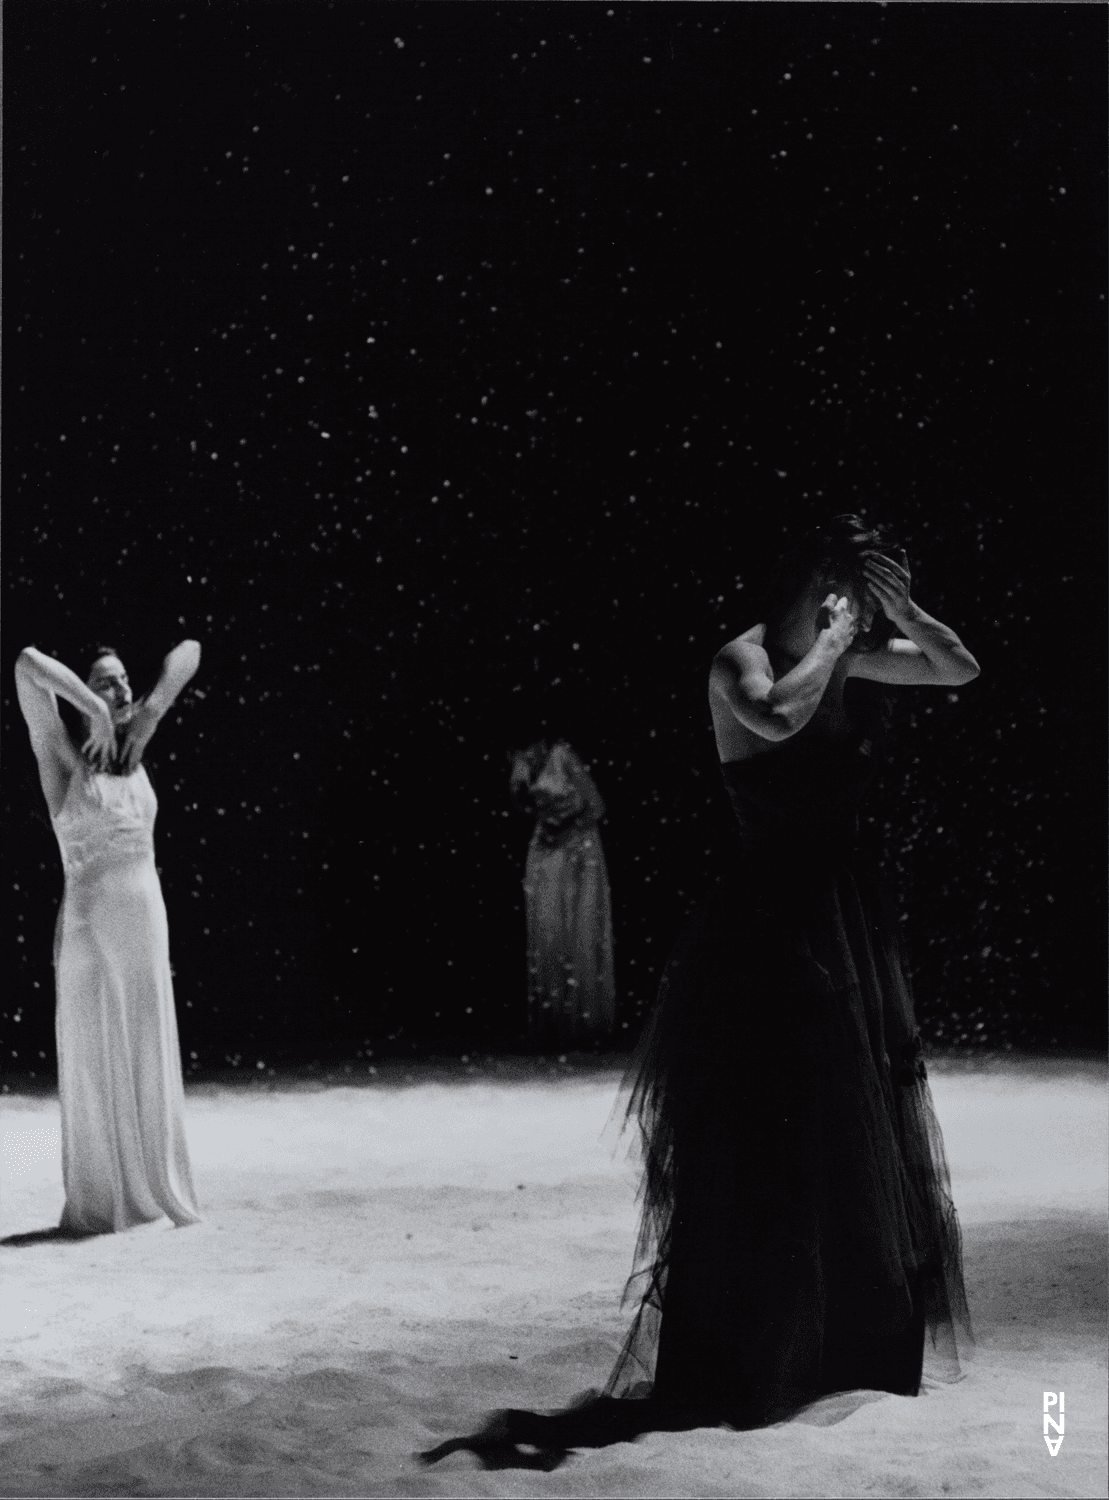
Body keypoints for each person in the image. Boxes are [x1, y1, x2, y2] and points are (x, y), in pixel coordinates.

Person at [422, 515, 979, 1463]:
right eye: (848, 582)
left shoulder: (849, 654)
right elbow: (774, 718)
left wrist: (909, 614)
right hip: (769, 920)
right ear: (815, 580)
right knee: (770, 1129)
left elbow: (958, 668)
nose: (854, 600)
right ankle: (754, 1341)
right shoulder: (742, 661)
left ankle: (842, 1335)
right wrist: (844, 643)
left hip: (842, 912)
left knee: (855, 1120)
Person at [11, 639, 204, 1237]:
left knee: (147, 1044)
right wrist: (92, 708)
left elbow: (189, 653)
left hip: (147, 922)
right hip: (90, 927)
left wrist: (144, 716)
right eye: (104, 680)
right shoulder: (62, 757)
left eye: (122, 680)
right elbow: (23, 663)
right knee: (97, 1051)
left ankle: (152, 1186)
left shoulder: (137, 749)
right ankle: (103, 1198)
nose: (118, 689)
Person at [509, 740, 616, 1046]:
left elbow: (596, 806)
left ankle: (582, 1026)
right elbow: (525, 807)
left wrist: (565, 828)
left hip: (576, 850)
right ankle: (552, 1024)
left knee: (577, 932)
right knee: (547, 933)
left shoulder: (563, 755)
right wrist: (520, 790)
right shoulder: (521, 760)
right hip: (545, 851)